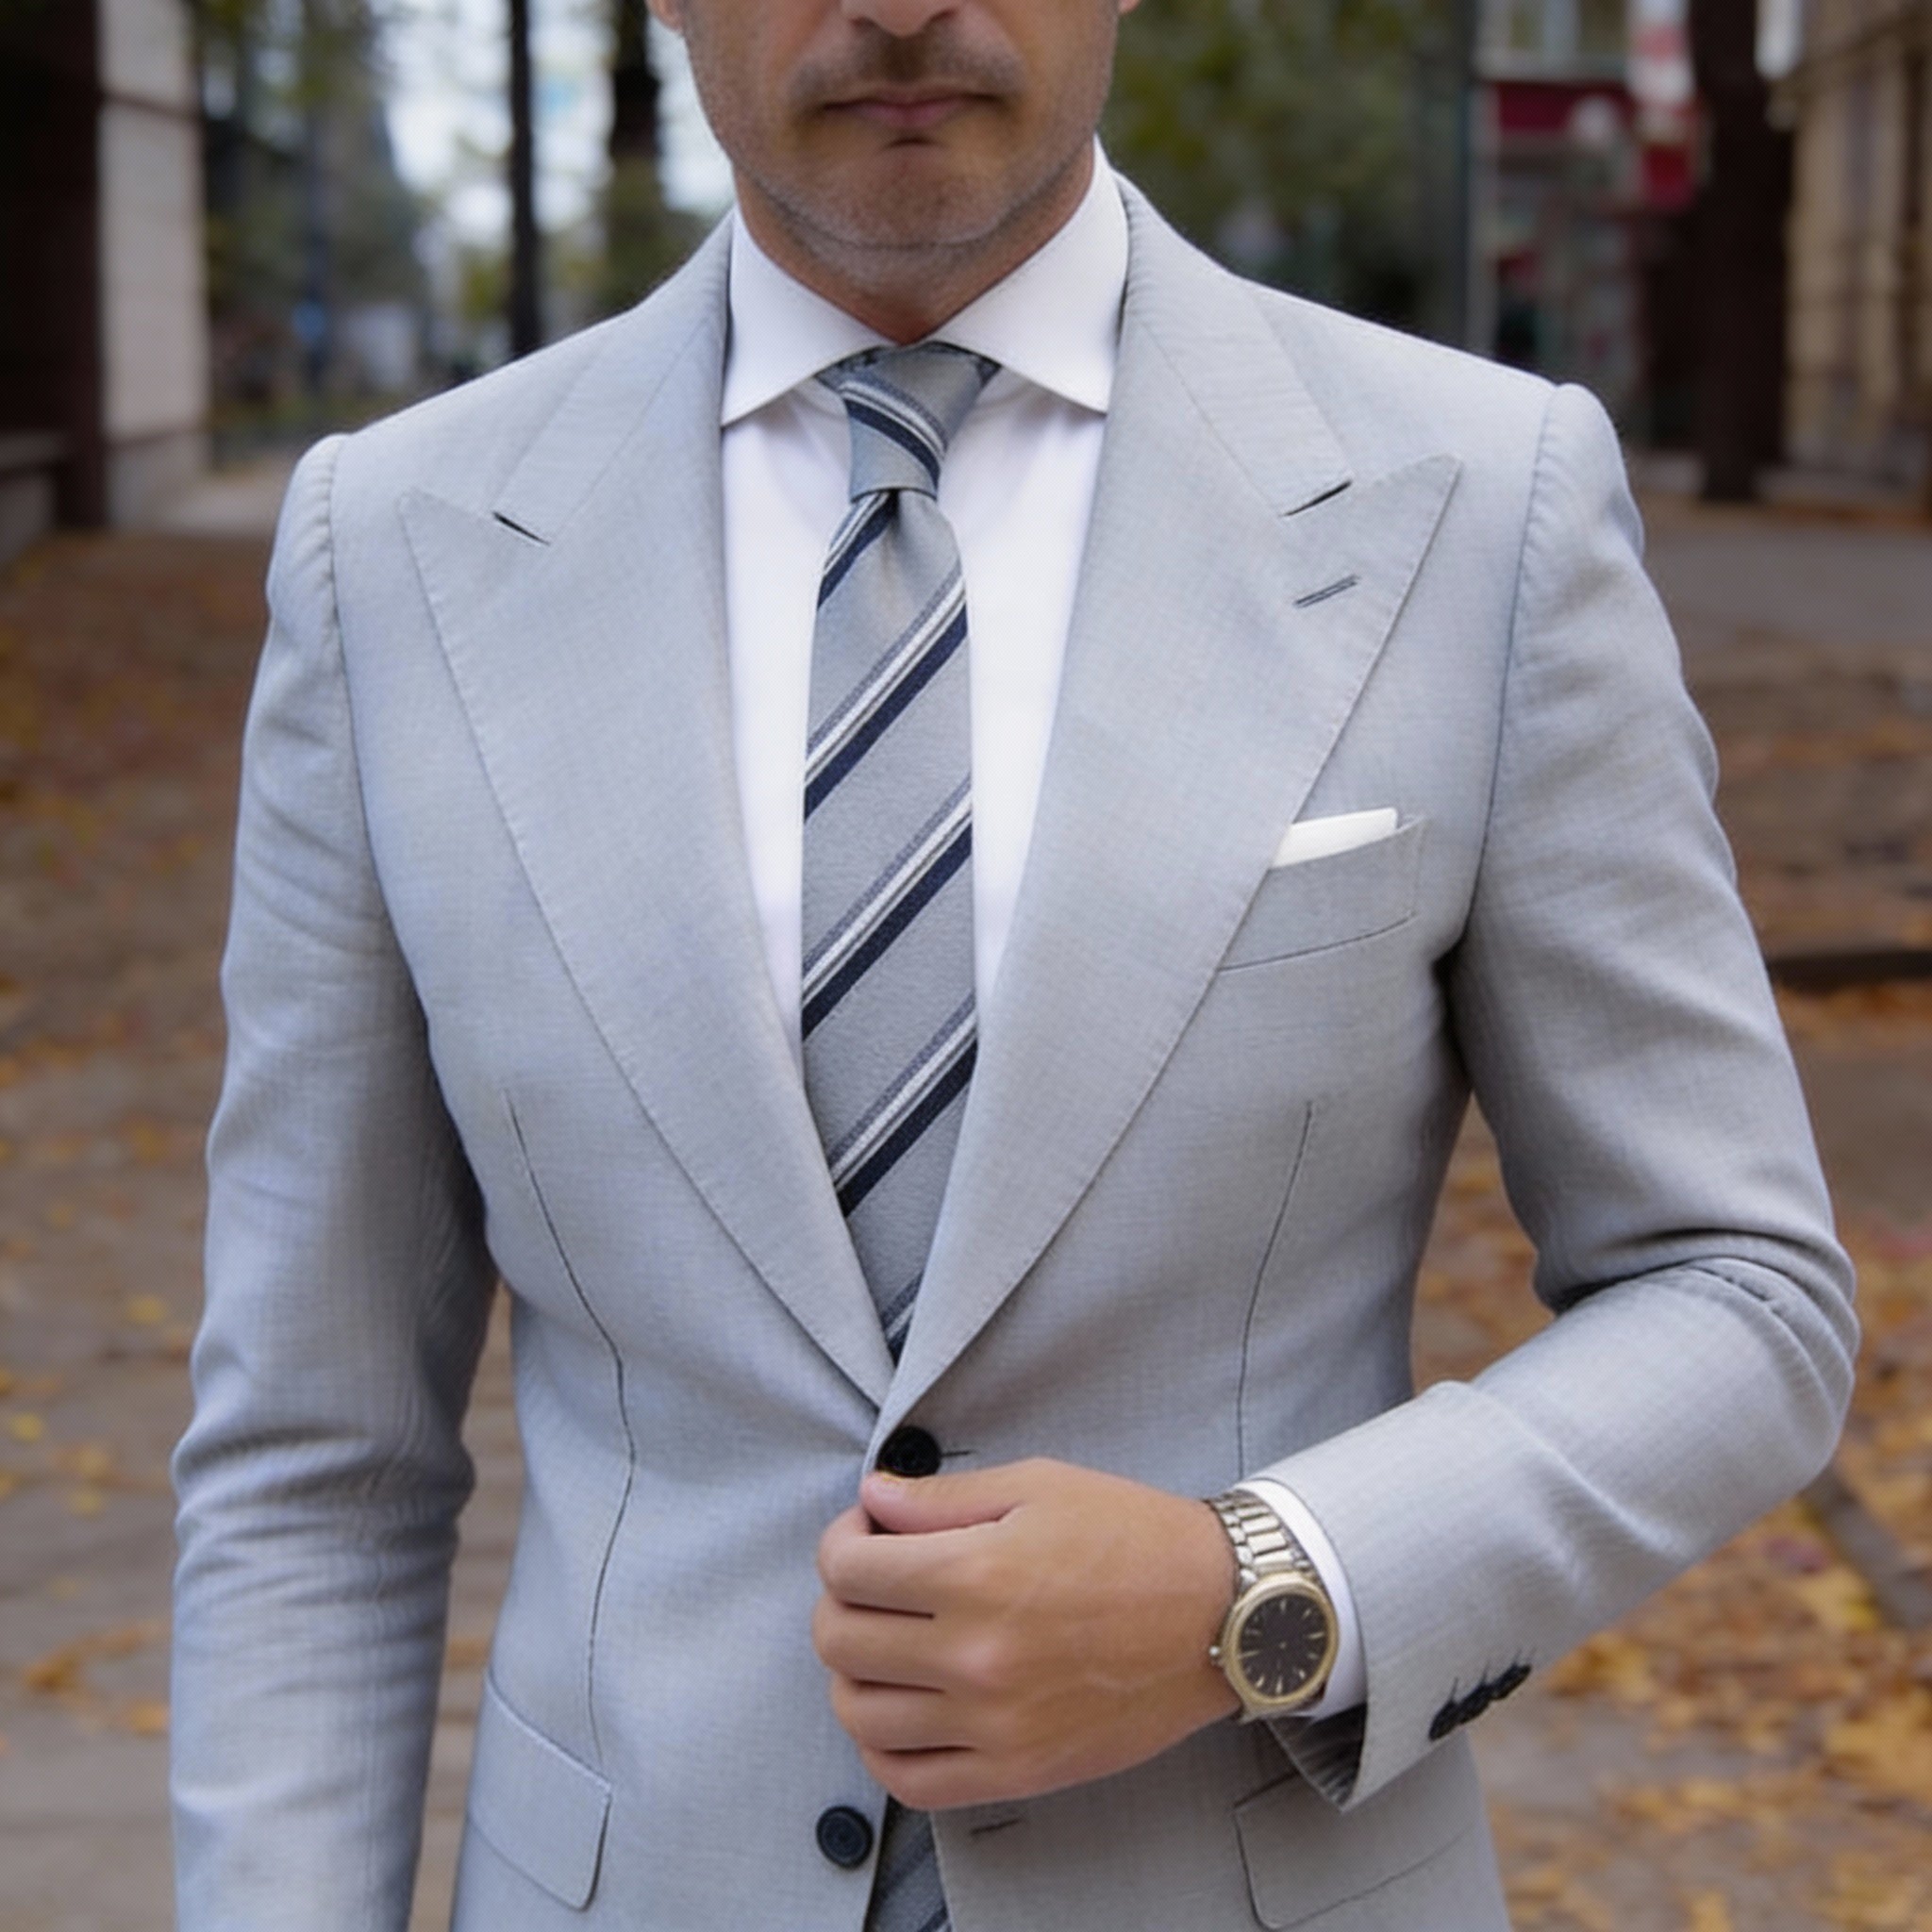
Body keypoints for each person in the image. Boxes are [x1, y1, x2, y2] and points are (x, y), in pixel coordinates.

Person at [169, 0, 1857, 1926]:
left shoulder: (1479, 506)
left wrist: (1261, 1587)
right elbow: (318, 1466)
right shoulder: (392, 551)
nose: (900, 4)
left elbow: (1737, 1290)